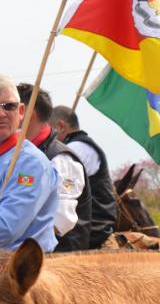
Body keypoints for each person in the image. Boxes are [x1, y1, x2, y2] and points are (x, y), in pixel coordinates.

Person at [17, 84, 92, 252]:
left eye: (9, 107)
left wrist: (15, 242)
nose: (3, 114)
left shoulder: (61, 158)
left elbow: (61, 220)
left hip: (55, 262)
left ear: (27, 113)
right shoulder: (18, 154)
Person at [0, 74, 58, 252]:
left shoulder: (31, 164)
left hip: (20, 273)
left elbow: (6, 228)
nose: (1, 113)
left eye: (9, 106)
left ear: (21, 111)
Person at [51, 105, 118, 248]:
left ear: (61, 126)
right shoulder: (75, 147)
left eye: (49, 128)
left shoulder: (76, 150)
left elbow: (65, 191)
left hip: (94, 228)